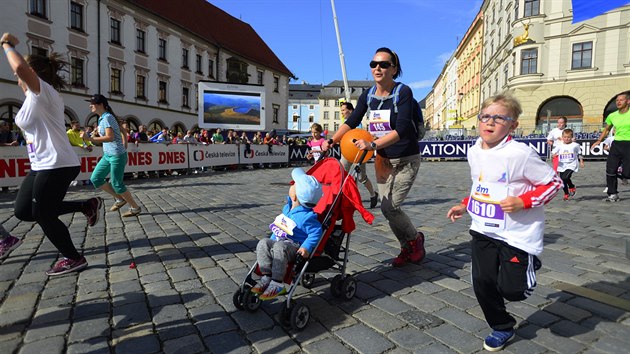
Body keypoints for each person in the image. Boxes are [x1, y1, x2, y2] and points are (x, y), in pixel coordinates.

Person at [446, 93, 562, 352]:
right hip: (483, 230)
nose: (490, 122)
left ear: (513, 125)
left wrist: (524, 201)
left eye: (499, 118)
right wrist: (465, 203)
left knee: (513, 291)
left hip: (516, 234)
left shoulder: (520, 154)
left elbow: (553, 183)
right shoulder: (474, 150)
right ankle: (502, 326)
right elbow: (481, 184)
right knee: (482, 283)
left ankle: (528, 263)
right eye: (485, 116)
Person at [2, 32, 102, 275]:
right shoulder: (31, 99)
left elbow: (20, 67)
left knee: (43, 214)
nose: (16, 77)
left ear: (31, 73)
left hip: (56, 163)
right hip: (41, 165)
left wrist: (6, 44)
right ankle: (85, 205)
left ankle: (73, 258)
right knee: (23, 211)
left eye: (19, 74)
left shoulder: (43, 92)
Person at [322, 47, 424, 267]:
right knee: (389, 210)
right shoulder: (368, 95)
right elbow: (352, 121)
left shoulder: (403, 92)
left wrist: (373, 144)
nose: (377, 68)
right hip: (383, 160)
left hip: (406, 159)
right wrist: (332, 140)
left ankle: (414, 241)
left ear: (394, 69)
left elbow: (403, 129)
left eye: (384, 64)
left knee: (389, 207)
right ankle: (408, 244)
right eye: (374, 64)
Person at [252, 168, 323, 300]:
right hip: (280, 241)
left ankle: (277, 283)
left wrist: (306, 247)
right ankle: (266, 275)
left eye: (294, 185)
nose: (291, 184)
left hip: (293, 247)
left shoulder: (307, 217)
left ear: (294, 196)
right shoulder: (287, 209)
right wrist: (272, 240)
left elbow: (316, 232)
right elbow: (279, 227)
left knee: (279, 246)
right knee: (263, 242)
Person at [82, 94, 142, 217]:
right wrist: (125, 141)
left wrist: (90, 138)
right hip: (108, 155)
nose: (90, 106)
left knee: (116, 183)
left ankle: (135, 208)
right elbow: (122, 130)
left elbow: (110, 137)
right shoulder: (102, 118)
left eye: (92, 103)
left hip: (117, 156)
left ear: (100, 105)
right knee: (96, 178)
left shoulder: (107, 117)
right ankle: (120, 199)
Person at [591, 91, 630, 202]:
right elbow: (607, 129)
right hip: (616, 144)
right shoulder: (612, 115)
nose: (618, 102)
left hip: (629, 144)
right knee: (610, 169)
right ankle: (612, 194)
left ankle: (625, 176)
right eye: (617, 100)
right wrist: (599, 140)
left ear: (628, 101)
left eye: (621, 100)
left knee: (627, 173)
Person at [339, 102, 378, 208]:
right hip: (347, 152)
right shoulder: (344, 124)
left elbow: (364, 136)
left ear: (350, 111)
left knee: (361, 177)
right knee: (342, 175)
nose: (342, 112)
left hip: (359, 152)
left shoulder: (359, 123)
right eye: (341, 110)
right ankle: (347, 199)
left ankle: (373, 195)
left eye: (343, 110)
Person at [552, 128, 584, 201]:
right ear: (562, 137)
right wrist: (553, 155)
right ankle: (566, 193)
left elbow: (580, 153)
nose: (566, 139)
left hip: (572, 164)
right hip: (562, 165)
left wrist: (581, 161)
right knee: (562, 181)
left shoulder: (575, 145)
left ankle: (571, 186)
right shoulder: (559, 145)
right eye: (565, 137)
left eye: (568, 137)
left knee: (565, 178)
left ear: (571, 137)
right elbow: (553, 152)